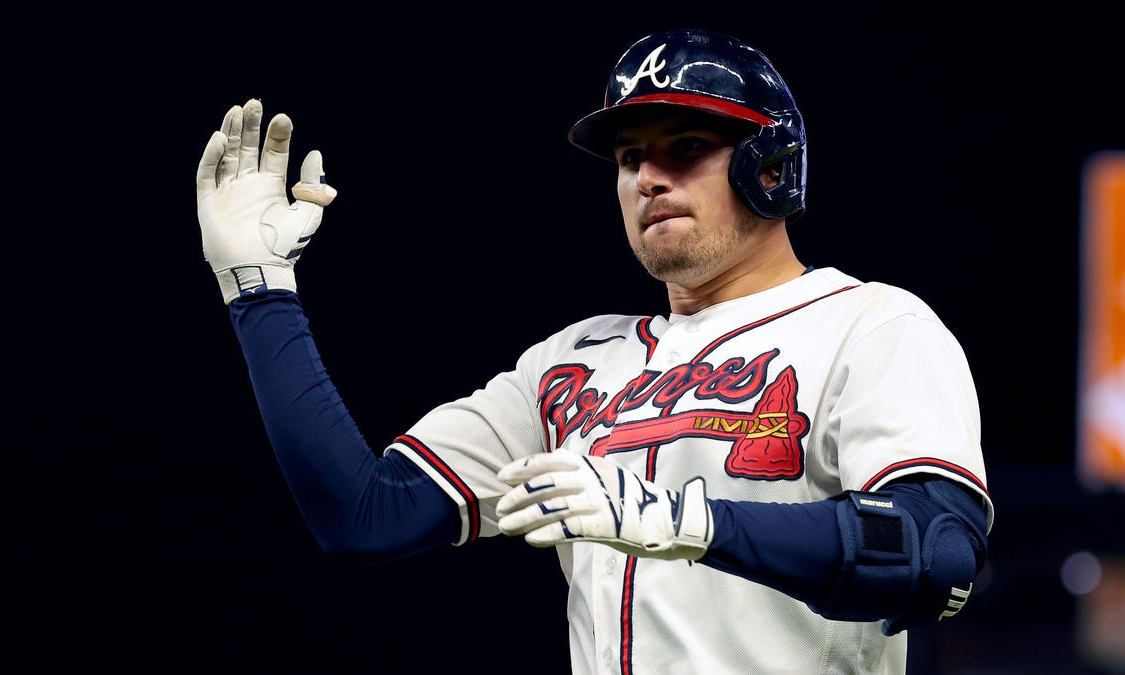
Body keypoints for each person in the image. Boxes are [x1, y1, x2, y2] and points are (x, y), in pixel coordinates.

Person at [194, 28, 993, 674]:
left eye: (684, 146)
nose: (648, 176)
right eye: (628, 156)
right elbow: (363, 514)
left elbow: (940, 557)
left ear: (771, 168)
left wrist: (685, 519)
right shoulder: (574, 361)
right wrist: (260, 291)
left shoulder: (872, 325)